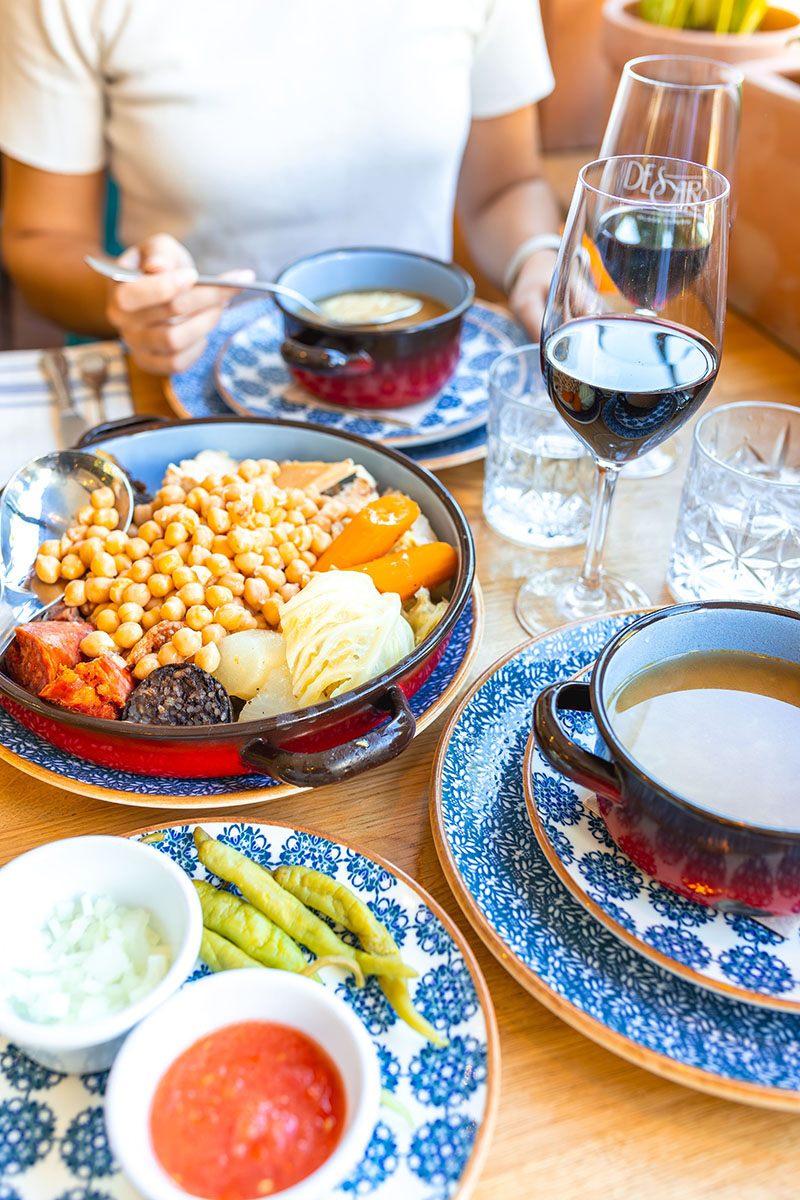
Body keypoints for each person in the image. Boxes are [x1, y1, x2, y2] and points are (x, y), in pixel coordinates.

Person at [0, 0, 563, 376]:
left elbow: (505, 187)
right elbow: (40, 234)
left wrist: (536, 259)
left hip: (416, 385)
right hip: (188, 398)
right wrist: (132, 301)